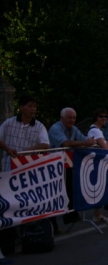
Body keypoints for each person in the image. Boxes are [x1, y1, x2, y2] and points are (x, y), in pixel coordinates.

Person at [0, 95, 50, 260]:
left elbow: (45, 144)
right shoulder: (9, 123)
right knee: (8, 203)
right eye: (30, 106)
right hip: (9, 168)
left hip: (28, 172)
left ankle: (27, 235)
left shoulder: (40, 126)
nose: (33, 109)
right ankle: (9, 240)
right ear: (21, 107)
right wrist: (8, 149)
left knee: (25, 201)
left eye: (35, 106)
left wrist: (27, 151)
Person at [48, 107, 96, 227]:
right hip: (53, 167)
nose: (72, 120)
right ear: (62, 118)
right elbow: (65, 143)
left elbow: (84, 139)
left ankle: (70, 215)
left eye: (74, 118)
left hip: (67, 165)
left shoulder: (74, 129)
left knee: (70, 188)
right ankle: (52, 223)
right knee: (54, 193)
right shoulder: (56, 128)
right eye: (69, 117)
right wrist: (86, 143)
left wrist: (89, 142)